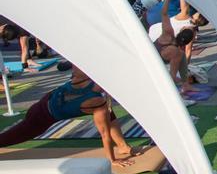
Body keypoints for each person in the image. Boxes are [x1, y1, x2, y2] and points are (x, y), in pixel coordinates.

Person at [0, 65, 134, 167]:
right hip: (42, 116)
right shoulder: (98, 102)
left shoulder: (86, 75)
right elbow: (105, 134)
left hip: (46, 100)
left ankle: (123, 146)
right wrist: (112, 160)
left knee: (110, 113)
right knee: (13, 137)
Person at [153, 0, 195, 91]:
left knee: (181, 56)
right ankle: (183, 86)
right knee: (179, 56)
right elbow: (171, 76)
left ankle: (185, 85)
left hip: (157, 49)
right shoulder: (176, 51)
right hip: (154, 56)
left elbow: (164, 13)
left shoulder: (168, 32)